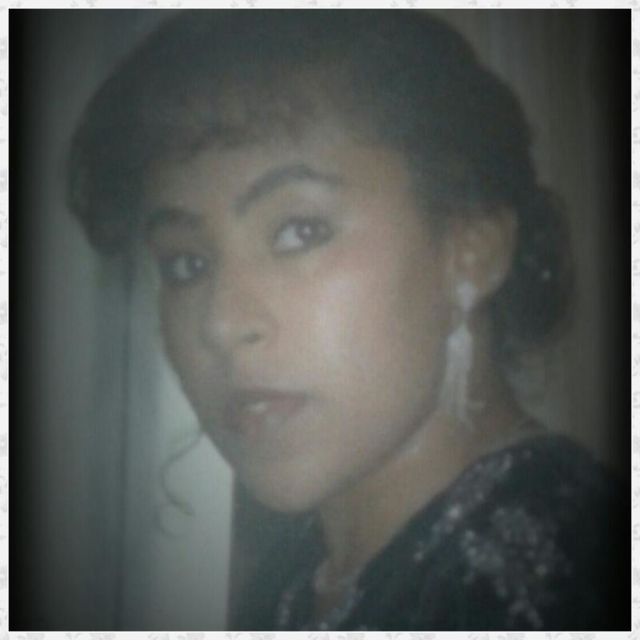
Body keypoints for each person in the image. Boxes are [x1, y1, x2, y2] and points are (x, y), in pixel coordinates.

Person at [66, 10, 627, 630]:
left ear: (472, 248)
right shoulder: (305, 570)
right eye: (186, 264)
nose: (220, 323)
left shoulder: (553, 582)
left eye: (300, 231)